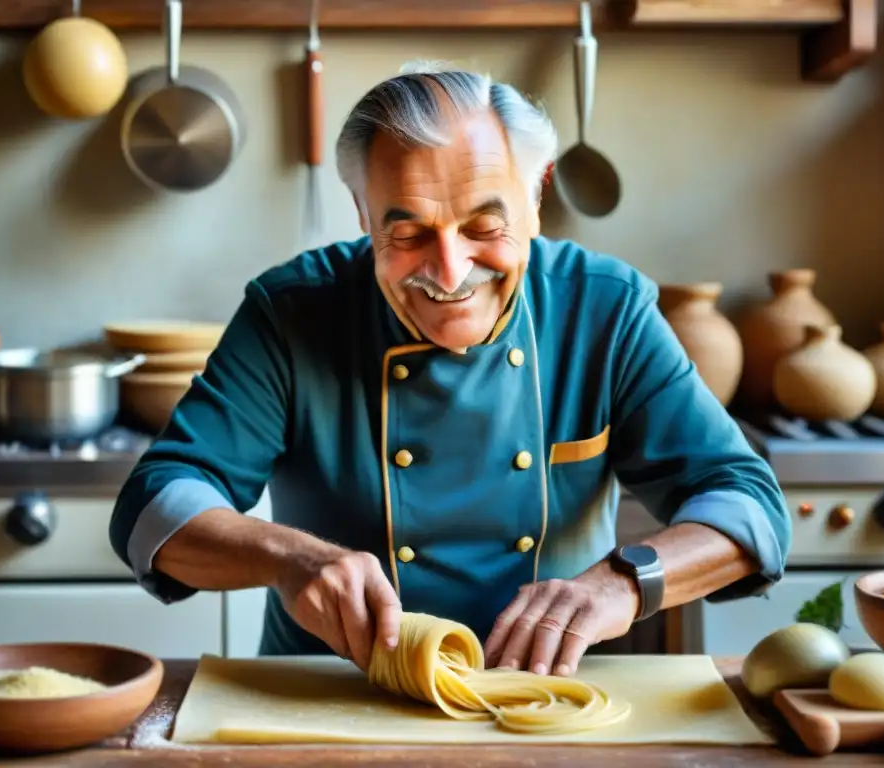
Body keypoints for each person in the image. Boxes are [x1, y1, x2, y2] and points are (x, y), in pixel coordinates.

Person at [109, 62, 791, 678]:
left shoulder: (604, 309)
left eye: (484, 227)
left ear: (538, 194)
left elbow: (747, 504)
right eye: (406, 234)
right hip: (325, 699)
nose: (449, 270)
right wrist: (289, 558)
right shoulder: (292, 313)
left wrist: (618, 581)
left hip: (547, 701)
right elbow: (154, 504)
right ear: (362, 214)